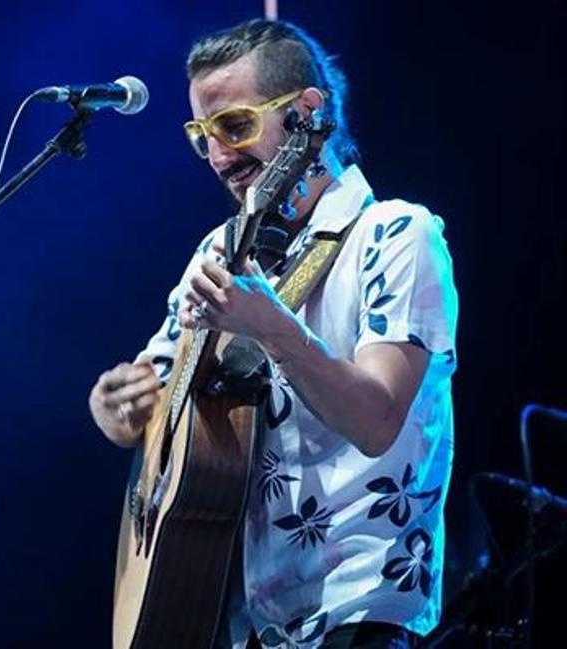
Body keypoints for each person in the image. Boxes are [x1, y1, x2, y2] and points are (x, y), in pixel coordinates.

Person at [90, 19, 458, 648]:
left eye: (234, 126)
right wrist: (116, 406)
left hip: (361, 607)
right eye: (201, 136)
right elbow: (151, 394)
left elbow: (375, 421)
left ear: (306, 113)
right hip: (242, 617)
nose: (218, 157)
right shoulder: (219, 251)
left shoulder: (398, 235)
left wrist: (273, 330)